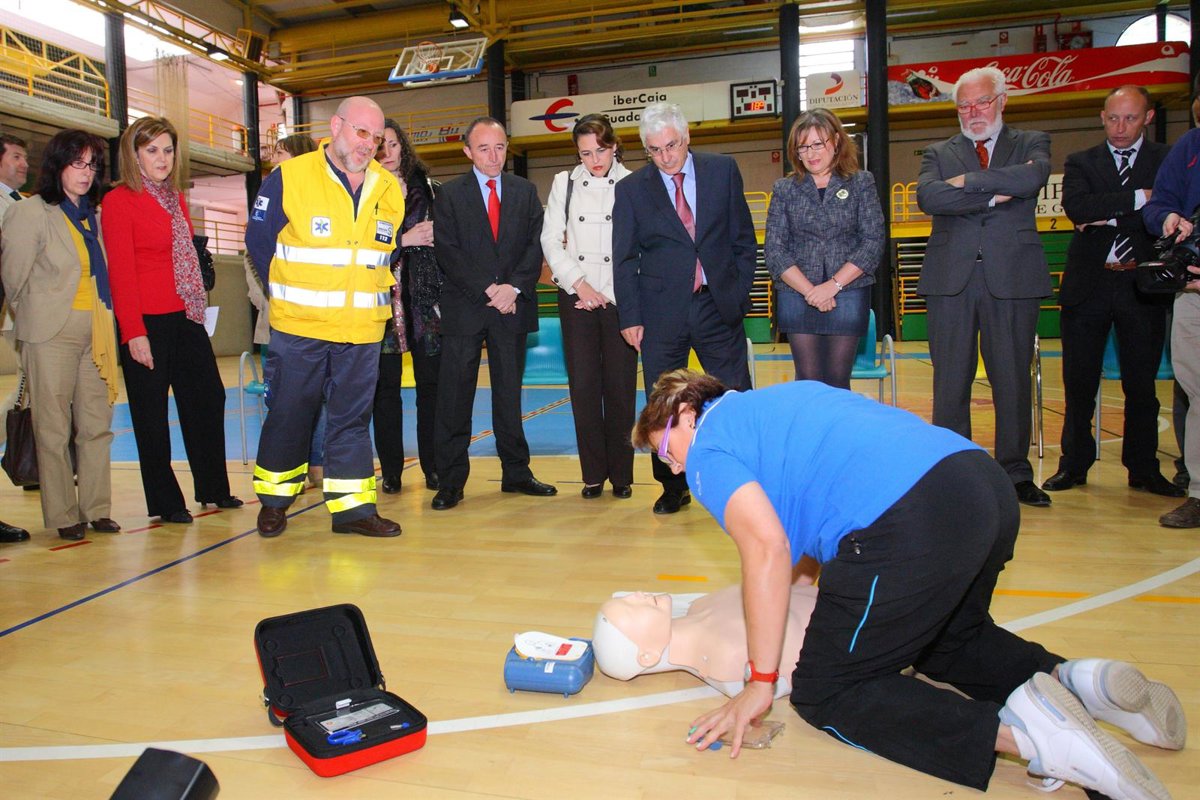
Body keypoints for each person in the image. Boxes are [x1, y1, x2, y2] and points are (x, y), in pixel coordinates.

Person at [635, 369, 1184, 800]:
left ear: (686, 414)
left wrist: (760, 682)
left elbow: (765, 551)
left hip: (906, 520)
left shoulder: (709, 448)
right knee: (946, 642)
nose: (675, 469)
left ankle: (1039, 741)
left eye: (665, 452)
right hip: (980, 487)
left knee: (827, 689)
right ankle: (1079, 683)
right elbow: (797, 550)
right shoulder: (776, 404)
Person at [245, 96, 404, 538]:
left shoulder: (388, 188)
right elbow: (259, 243)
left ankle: (353, 511)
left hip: (362, 331)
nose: (369, 143)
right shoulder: (289, 177)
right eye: (361, 132)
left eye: (376, 137)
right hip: (301, 328)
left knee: (352, 420)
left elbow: (385, 254)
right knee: (289, 414)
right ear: (335, 126)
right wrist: (290, 292)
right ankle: (274, 502)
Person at [916, 66, 1053, 508]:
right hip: (950, 281)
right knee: (950, 382)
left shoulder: (1031, 143)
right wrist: (997, 191)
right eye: (964, 106)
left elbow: (1031, 179)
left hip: (1012, 278)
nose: (973, 112)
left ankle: (1015, 473)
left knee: (1011, 380)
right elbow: (930, 197)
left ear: (1002, 101)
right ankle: (956, 473)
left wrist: (970, 183)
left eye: (981, 102)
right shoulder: (938, 152)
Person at [612, 102, 756, 515]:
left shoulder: (722, 170)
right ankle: (673, 486)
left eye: (672, 145)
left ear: (686, 136)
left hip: (717, 304)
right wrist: (631, 317)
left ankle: (745, 472)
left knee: (733, 393)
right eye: (655, 150)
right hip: (660, 314)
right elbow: (625, 258)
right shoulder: (632, 189)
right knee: (663, 404)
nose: (666, 156)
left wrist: (737, 293)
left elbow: (743, 239)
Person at [102, 116, 242, 524]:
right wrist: (134, 332)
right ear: (134, 155)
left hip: (185, 315)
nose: (162, 158)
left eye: (168, 150)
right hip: (146, 321)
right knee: (150, 414)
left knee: (208, 396)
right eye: (152, 150)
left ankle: (213, 487)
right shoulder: (119, 201)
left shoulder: (174, 197)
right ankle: (165, 502)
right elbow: (121, 273)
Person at [1043, 86, 1179, 498]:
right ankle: (1073, 465)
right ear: (1102, 117)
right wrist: (1140, 199)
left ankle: (1143, 468)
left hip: (1142, 285)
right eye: (1113, 118)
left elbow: (1165, 214)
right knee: (1078, 383)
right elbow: (1078, 209)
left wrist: (1107, 213)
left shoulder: (1166, 160)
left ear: (1148, 118)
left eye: (1130, 118)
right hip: (1089, 285)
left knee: (1141, 386)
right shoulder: (1081, 160)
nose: (1120, 128)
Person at [430, 116, 556, 511]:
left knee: (508, 395)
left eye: (500, 147)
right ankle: (451, 481)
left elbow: (535, 246)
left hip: (511, 306)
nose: (493, 156)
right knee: (455, 397)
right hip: (466, 307)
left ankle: (516, 472)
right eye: (484, 148)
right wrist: (488, 289)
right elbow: (448, 250)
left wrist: (513, 288)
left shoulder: (525, 191)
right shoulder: (450, 195)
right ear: (468, 151)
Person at [1, 130, 120, 541]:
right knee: (52, 427)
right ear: (57, 165)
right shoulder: (31, 212)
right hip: (50, 333)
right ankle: (63, 513)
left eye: (92, 165)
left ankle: (97, 508)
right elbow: (12, 278)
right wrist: (34, 315)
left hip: (97, 331)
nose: (86, 173)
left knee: (96, 425)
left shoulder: (94, 215)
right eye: (77, 164)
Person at [541, 114, 637, 499]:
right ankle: (592, 475)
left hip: (619, 299)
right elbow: (551, 241)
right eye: (585, 153)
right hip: (576, 297)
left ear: (613, 147)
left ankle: (623, 476)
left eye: (600, 150)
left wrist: (607, 292)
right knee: (583, 388)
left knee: (620, 390)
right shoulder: (563, 183)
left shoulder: (634, 183)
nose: (594, 160)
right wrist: (580, 284)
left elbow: (638, 246)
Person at [764, 108, 884, 387]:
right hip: (796, 294)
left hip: (849, 292)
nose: (811, 153)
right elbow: (775, 250)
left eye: (818, 144)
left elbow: (872, 241)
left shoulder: (861, 183)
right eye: (803, 146)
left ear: (836, 141)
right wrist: (810, 291)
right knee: (807, 380)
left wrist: (833, 286)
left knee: (838, 380)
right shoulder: (784, 189)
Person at [243, 132, 327, 492]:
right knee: (282, 398)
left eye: (281, 151)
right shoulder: (270, 192)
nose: (274, 157)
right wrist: (272, 293)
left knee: (318, 396)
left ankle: (317, 462)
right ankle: (285, 474)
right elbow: (254, 250)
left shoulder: (312, 192)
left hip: (314, 316)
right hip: (277, 315)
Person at [593, 583, 816, 699]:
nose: (636, 594)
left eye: (626, 598)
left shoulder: (701, 605)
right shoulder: (727, 659)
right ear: (647, 656)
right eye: (630, 608)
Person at [372, 119, 438, 495]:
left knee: (431, 387)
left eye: (393, 144)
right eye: (380, 145)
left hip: (425, 301)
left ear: (403, 147)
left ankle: (433, 467)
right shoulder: (361, 191)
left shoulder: (427, 188)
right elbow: (360, 244)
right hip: (381, 302)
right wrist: (404, 239)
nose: (387, 152)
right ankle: (391, 470)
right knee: (385, 391)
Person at [1143, 105, 1200, 528]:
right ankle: (1199, 492)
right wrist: (1168, 218)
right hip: (1193, 289)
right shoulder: (1189, 146)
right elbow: (1158, 204)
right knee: (1197, 392)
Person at [0, 132, 31, 543]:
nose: (24, 164)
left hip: (24, 311)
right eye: (16, 156)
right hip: (18, 313)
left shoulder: (18, 203)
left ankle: (29, 461)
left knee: (34, 392)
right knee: (29, 390)